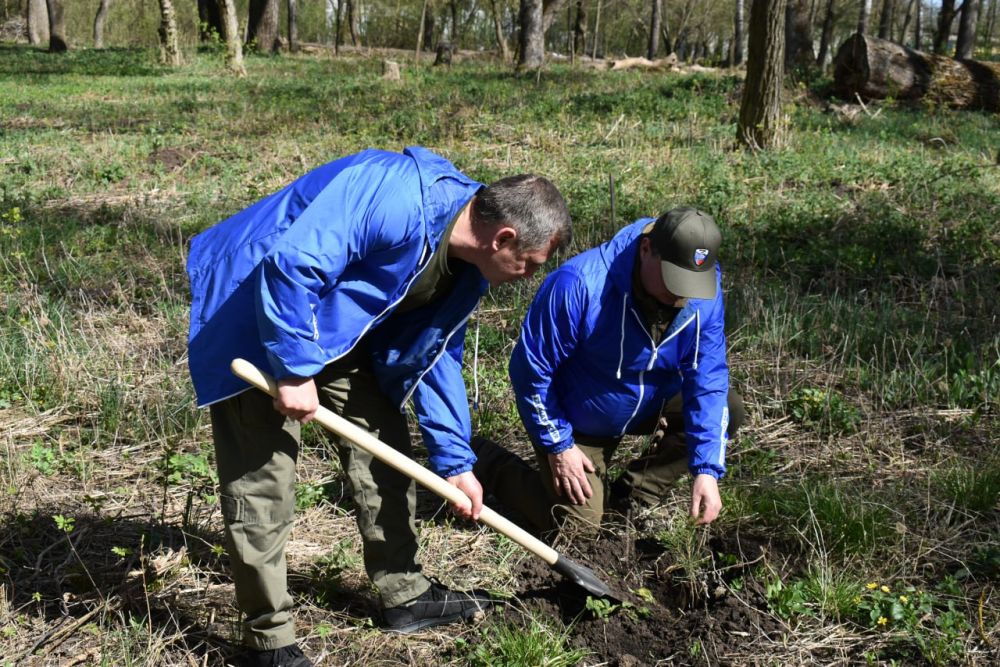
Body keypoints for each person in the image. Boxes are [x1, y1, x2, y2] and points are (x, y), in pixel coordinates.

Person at [186, 146, 571, 666]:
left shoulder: (467, 266)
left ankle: (404, 593)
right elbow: (293, 266)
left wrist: (455, 463)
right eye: (530, 265)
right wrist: (296, 369)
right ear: (503, 238)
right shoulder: (397, 197)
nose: (529, 278)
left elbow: (435, 353)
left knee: (384, 443)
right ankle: (268, 641)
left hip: (334, 325)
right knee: (263, 479)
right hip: (256, 304)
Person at [472, 207, 744, 536]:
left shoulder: (703, 288)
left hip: (650, 399)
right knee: (578, 533)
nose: (681, 295)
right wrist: (559, 445)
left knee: (729, 406)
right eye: (674, 280)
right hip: (579, 421)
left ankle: (631, 496)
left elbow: (709, 379)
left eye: (691, 283)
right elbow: (530, 373)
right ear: (646, 250)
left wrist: (707, 470)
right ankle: (484, 461)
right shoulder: (580, 285)